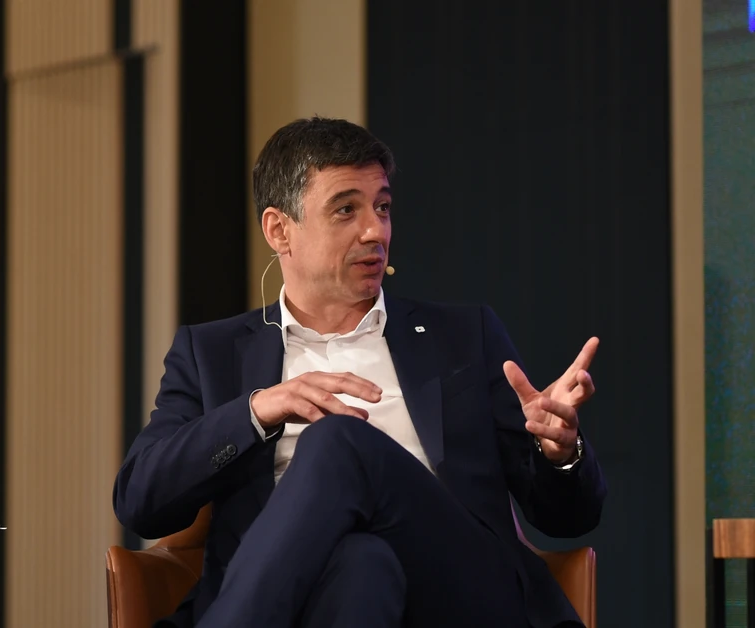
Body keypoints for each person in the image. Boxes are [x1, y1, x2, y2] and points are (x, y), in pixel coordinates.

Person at [112, 116, 606, 628]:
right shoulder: (212, 353)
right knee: (361, 566)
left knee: (338, 441)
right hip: (314, 601)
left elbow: (568, 517)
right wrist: (257, 411)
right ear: (279, 230)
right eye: (346, 209)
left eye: (382, 207)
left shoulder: (463, 336)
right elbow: (140, 502)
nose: (376, 231)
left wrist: (560, 454)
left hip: (463, 592)